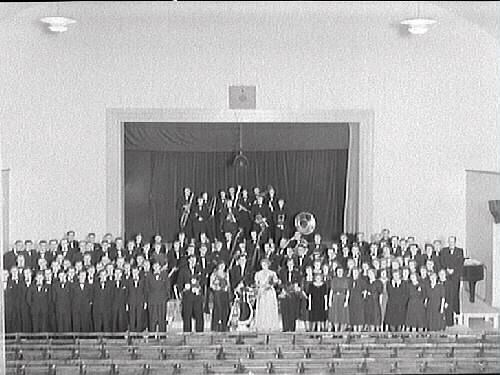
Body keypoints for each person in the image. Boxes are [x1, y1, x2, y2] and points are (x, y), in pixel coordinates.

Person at [440, 236, 464, 323]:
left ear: (455, 242)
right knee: (446, 294)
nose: (451, 243)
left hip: (455, 277)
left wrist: (453, 270)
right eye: (449, 242)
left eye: (452, 242)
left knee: (455, 294)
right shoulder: (444, 251)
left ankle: (456, 312)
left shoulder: (460, 251)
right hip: (446, 276)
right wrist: (447, 269)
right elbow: (442, 261)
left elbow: (460, 263)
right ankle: (447, 313)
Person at [254, 258, 280, 331]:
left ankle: (270, 325)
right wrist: (259, 288)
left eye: (265, 264)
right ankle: (262, 325)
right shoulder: (258, 274)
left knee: (269, 308)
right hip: (262, 292)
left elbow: (275, 281)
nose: (264, 266)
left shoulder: (272, 273)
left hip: (269, 293)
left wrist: (270, 285)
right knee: (262, 308)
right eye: (262, 264)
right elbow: (256, 284)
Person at [209, 261, 231, 331]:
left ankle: (224, 325)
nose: (222, 267)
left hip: (224, 293)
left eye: (223, 265)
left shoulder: (226, 274)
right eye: (221, 265)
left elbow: (228, 283)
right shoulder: (214, 274)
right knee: (218, 308)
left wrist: (226, 288)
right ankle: (216, 326)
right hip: (217, 293)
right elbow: (211, 285)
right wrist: (216, 288)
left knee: (225, 308)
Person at [328, 267, 350, 332]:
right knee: (335, 315)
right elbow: (331, 290)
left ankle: (341, 331)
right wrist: (330, 300)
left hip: (342, 298)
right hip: (335, 298)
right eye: (338, 271)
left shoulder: (345, 280)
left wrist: (346, 301)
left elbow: (347, 291)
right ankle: (336, 330)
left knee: (342, 315)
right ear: (336, 272)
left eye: (341, 271)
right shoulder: (333, 280)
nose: (340, 272)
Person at [348, 268, 366, 332]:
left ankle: (359, 331)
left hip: (359, 301)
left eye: (356, 272)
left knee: (360, 316)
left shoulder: (362, 281)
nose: (354, 274)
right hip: (352, 301)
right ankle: (355, 331)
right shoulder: (350, 281)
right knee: (354, 315)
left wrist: (363, 297)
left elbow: (365, 290)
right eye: (353, 273)